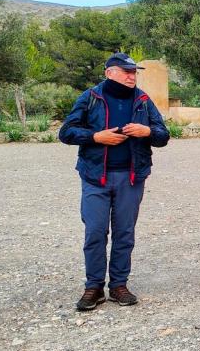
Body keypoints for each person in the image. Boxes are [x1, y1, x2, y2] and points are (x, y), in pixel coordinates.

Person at [58, 52, 170, 311]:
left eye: (134, 72)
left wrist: (147, 131)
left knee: (124, 233)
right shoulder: (90, 97)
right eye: (126, 71)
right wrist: (96, 137)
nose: (132, 76)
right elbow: (66, 132)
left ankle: (119, 285)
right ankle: (94, 287)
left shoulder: (143, 100)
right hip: (95, 176)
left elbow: (163, 135)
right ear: (109, 73)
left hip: (131, 177)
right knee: (95, 231)